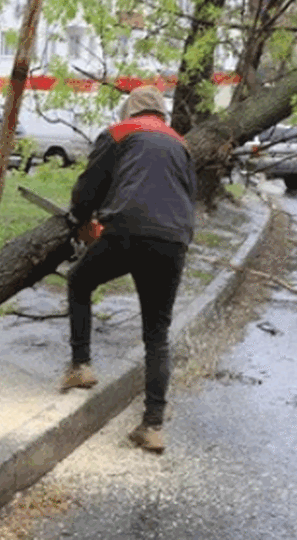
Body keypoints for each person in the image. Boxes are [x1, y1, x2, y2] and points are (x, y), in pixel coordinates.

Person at [60, 85, 196, 454]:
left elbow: (90, 185)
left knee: (79, 280)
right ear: (162, 114)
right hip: (173, 239)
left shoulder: (118, 133)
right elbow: (186, 193)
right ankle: (152, 425)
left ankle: (81, 364)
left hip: (128, 230)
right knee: (157, 333)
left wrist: (80, 219)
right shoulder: (180, 143)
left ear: (129, 110)